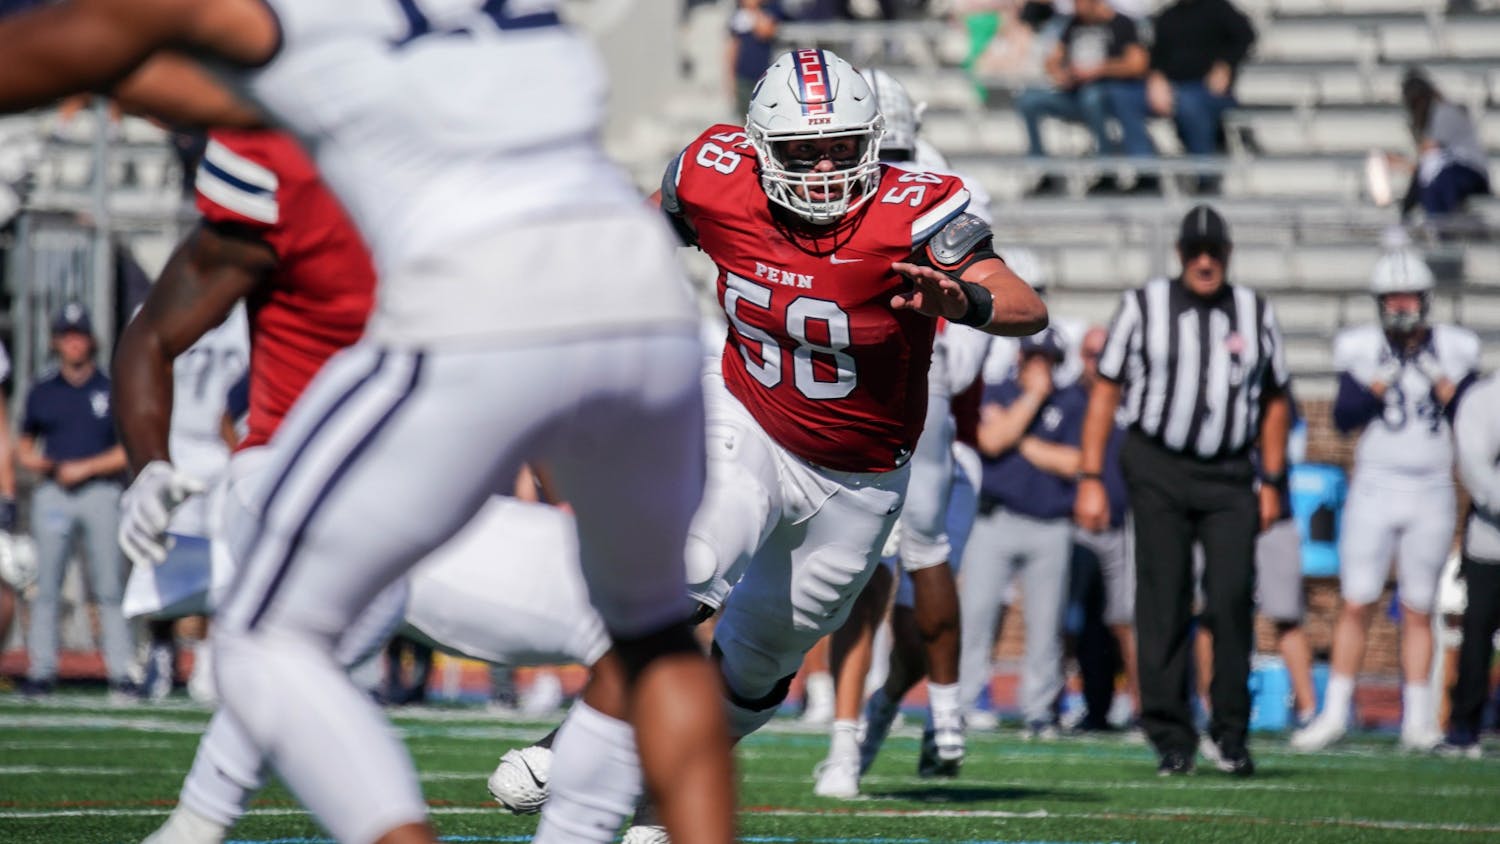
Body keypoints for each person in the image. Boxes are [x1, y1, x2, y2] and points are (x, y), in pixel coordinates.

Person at [0, 3, 737, 842]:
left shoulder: (295, 55)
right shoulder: (506, 23)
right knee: (650, 630)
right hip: (644, 299)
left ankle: (200, 823)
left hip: (475, 316)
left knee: (261, 641)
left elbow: (95, 43)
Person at [639, 45, 1046, 839]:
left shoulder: (913, 207)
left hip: (859, 479)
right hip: (748, 412)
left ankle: (649, 801)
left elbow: (1024, 304)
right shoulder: (711, 175)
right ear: (759, 150)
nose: (824, 169)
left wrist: (959, 298)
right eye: (802, 151)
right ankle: (581, 746)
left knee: (758, 669)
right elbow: (639, 228)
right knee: (694, 565)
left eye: (841, 148)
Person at [811, 66, 997, 798]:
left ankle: (919, 711)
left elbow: (981, 314)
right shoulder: (846, 189)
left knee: (916, 580)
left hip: (916, 389)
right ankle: (846, 739)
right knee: (860, 574)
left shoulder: (937, 192)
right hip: (858, 393)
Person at [1077, 204, 1291, 777]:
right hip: (1158, 467)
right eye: (1194, 251)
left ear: (1226, 255)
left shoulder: (1254, 312)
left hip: (1229, 474)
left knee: (1229, 598)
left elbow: (1275, 400)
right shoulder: (1143, 306)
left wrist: (1273, 480)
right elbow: (1106, 392)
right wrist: (1091, 477)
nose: (1204, 261)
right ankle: (1171, 732)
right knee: (1162, 599)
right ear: (1179, 255)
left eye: (1213, 252)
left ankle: (1230, 732)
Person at [1292, 249, 1479, 753]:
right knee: (1357, 601)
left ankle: (1418, 721)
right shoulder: (1361, 347)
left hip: (1432, 487)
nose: (1399, 306)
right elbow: (1345, 415)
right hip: (1374, 485)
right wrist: (1381, 380)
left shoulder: (1455, 348)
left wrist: (1444, 384)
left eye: (1407, 296)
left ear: (1425, 299)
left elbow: (1471, 414)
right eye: (1391, 297)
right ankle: (1334, 713)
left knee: (1419, 606)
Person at [956, 328, 1084, 740]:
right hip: (994, 520)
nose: (1038, 367)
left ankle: (1040, 709)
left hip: (1051, 524)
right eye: (1033, 358)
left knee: (1046, 625)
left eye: (1046, 360)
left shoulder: (1073, 401)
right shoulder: (996, 390)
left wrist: (1020, 437)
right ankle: (965, 701)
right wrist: (1030, 401)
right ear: (1020, 359)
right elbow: (991, 442)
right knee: (976, 614)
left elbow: (1075, 462)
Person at [120, 302, 247, 702]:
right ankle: (160, 652)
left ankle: (209, 659)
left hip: (224, 449)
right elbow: (138, 368)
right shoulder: (162, 304)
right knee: (160, 555)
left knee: (222, 558)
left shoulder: (247, 313)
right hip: (174, 445)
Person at [17, 303, 133, 699]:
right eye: (67, 335)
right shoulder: (43, 390)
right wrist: (51, 465)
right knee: (45, 585)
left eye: (79, 335)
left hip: (100, 490)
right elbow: (24, 449)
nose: (73, 342)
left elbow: (127, 450)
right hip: (54, 492)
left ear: (91, 341)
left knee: (108, 586)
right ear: (55, 342)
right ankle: (41, 671)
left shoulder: (109, 388)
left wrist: (83, 468)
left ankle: (122, 672)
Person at [1067, 325, 1137, 732]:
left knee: (1124, 620)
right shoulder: (1069, 401)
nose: (1099, 362)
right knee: (1074, 623)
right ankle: (1078, 704)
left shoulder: (1135, 402)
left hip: (1124, 525)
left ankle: (1141, 706)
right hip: (1073, 525)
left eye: (1105, 354)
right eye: (1092, 354)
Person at [1110, 0, 1255, 192]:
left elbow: (1246, 36)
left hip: (1207, 90)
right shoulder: (1167, 16)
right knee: (1123, 97)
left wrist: (1225, 65)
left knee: (1188, 101)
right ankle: (1146, 171)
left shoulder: (1219, 9)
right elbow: (1155, 56)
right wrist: (1156, 79)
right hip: (1172, 88)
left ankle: (1205, 175)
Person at [1015, 0, 1150, 197]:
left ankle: (1107, 170)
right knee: (1028, 100)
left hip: (1109, 95)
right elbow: (1052, 59)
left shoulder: (1122, 24)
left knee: (1092, 97)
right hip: (1074, 95)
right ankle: (1043, 169)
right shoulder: (1074, 24)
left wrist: (1099, 70)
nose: (1076, 7)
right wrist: (1061, 73)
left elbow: (1137, 64)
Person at [1441, 374, 1500, 757]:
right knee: (1477, 632)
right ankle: (1465, 725)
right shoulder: (1485, 399)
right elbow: (1476, 468)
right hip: (1490, 541)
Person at [1396, 69, 1492, 222]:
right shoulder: (1433, 118)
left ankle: (1443, 231)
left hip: (1469, 172)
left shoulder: (1444, 112)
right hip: (1453, 174)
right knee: (1429, 183)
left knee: (1435, 181)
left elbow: (1429, 151)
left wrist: (1397, 162)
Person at [728, 0, 783, 117]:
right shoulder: (738, 14)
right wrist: (730, 77)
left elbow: (765, 32)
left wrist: (753, 10)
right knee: (744, 120)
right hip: (743, 77)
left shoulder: (771, 8)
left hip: (764, 77)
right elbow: (733, 47)